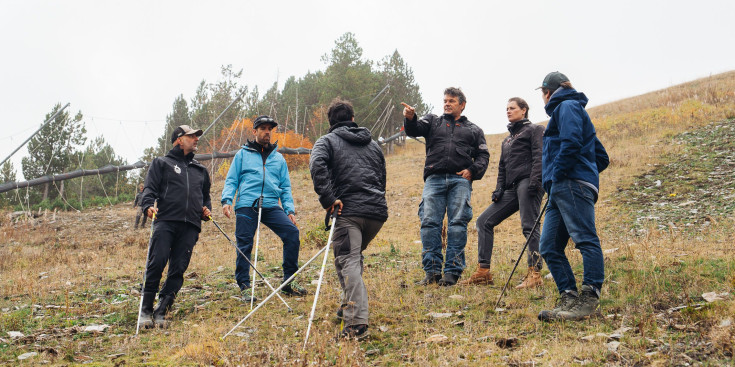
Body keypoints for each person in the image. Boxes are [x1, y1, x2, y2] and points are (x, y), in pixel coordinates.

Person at [309, 98, 388, 339]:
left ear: (330, 122)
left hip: (349, 212)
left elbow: (316, 166)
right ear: (352, 119)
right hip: (376, 213)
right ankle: (347, 307)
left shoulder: (326, 141)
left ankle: (357, 324)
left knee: (348, 261)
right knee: (347, 258)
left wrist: (329, 199)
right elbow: (382, 175)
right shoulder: (373, 145)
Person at [535, 72, 609, 321]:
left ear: (547, 92)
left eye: (542, 94)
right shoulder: (573, 109)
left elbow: (571, 142)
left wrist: (563, 173)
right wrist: (583, 172)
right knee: (549, 246)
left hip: (567, 184)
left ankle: (589, 298)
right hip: (562, 187)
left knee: (585, 239)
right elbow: (602, 157)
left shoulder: (565, 106)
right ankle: (568, 296)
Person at [402, 87, 490, 286]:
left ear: (462, 104)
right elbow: (415, 129)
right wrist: (410, 117)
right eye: (445, 101)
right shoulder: (433, 121)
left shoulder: (474, 130)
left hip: (460, 181)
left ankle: (452, 273)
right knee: (429, 223)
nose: (447, 104)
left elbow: (484, 155)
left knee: (457, 225)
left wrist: (473, 170)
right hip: (434, 179)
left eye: (451, 101)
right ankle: (431, 272)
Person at [460, 97, 545, 288]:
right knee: (484, 221)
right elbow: (502, 167)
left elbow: (540, 155)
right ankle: (483, 272)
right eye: (507, 108)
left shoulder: (535, 130)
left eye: (512, 108)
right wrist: (499, 189)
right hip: (511, 188)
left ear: (524, 110)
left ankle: (535, 274)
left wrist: (535, 181)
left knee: (529, 225)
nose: (508, 111)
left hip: (528, 182)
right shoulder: (507, 140)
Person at [221, 115, 306, 302]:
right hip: (246, 205)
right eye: (263, 128)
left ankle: (289, 282)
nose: (267, 132)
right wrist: (227, 200)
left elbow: (285, 187)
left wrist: (289, 210)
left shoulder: (278, 158)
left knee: (292, 233)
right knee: (245, 244)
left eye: (270, 129)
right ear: (255, 131)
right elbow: (232, 179)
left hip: (271, 205)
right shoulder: (242, 155)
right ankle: (244, 286)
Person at [138, 125, 212, 329]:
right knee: (157, 262)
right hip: (166, 221)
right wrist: (147, 206)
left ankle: (162, 310)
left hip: (190, 226)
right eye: (191, 136)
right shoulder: (161, 163)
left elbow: (205, 196)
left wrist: (207, 211)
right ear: (179, 140)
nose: (196, 139)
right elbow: (150, 189)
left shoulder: (200, 170)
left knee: (178, 269)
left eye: (197, 136)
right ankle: (145, 310)